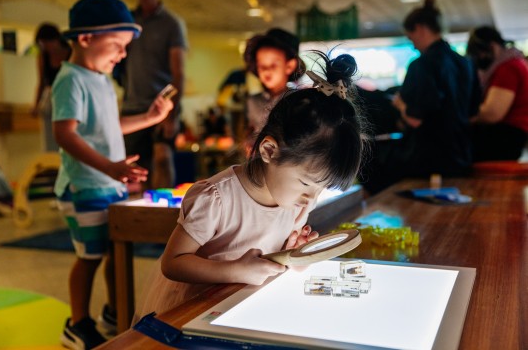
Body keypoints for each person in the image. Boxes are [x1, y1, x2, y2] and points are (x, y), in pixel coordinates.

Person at [132, 51, 368, 324]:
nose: (309, 199)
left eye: (321, 189)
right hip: (196, 311)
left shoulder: (296, 201)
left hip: (242, 307)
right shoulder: (217, 199)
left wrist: (293, 255)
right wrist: (234, 270)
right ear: (269, 150)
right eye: (306, 184)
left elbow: (271, 261)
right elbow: (173, 263)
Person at [52, 0, 173, 349]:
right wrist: (109, 167)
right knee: (88, 257)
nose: (122, 55)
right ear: (86, 38)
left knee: (113, 250)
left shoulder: (101, 79)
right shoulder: (70, 79)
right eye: (117, 45)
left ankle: (112, 311)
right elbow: (65, 133)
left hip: (108, 183)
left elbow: (108, 126)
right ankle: (77, 324)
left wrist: (151, 117)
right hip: (84, 186)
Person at [361, 0, 479, 195]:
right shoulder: (465, 63)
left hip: (428, 157)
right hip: (462, 154)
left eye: (411, 36)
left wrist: (400, 105)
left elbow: (415, 120)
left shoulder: (422, 65)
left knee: (368, 164)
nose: (412, 43)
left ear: (421, 29)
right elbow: (474, 112)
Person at [119, 0, 187, 190]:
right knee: (135, 167)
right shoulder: (129, 20)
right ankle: (141, 216)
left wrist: (171, 112)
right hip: (133, 104)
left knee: (162, 158)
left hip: (162, 103)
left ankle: (163, 213)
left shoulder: (172, 24)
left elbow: (179, 73)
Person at [466, 26, 528, 161]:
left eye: (480, 53)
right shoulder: (514, 62)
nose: (479, 58)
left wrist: (463, 114)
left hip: (507, 135)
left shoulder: (508, 67)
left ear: (493, 46)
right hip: (511, 135)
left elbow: (492, 113)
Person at [243, 28, 306, 150]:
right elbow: (251, 129)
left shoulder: (299, 100)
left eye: (273, 65)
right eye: (262, 65)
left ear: (289, 66)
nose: (266, 70)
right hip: (258, 161)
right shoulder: (253, 101)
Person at [31, 23, 71, 152]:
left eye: (47, 42)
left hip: (68, 95)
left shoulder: (70, 52)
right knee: (50, 140)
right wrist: (36, 104)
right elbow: (41, 82)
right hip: (51, 96)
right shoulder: (44, 56)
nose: (46, 47)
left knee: (68, 135)